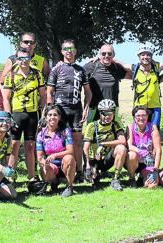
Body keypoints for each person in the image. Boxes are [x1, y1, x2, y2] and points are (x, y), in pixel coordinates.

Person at [47, 39, 92, 180]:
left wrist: (86, 108)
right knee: (61, 142)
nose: (69, 51)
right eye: (66, 49)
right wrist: (50, 110)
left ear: (75, 51)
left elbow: (88, 92)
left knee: (77, 142)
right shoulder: (56, 69)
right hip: (60, 110)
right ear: (62, 51)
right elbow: (49, 92)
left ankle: (78, 171)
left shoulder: (80, 70)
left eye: (71, 49)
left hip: (76, 111)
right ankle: (61, 171)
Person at [2, 48, 46, 181]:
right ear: (17, 59)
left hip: (32, 114)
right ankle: (11, 175)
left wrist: (43, 115)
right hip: (17, 114)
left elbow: (43, 96)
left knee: (30, 145)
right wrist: (9, 116)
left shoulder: (37, 74)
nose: (24, 61)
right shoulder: (12, 75)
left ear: (30, 59)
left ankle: (31, 176)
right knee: (14, 145)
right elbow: (6, 98)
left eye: (26, 58)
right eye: (20, 58)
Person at [121, 46, 163, 127]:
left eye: (148, 55)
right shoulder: (134, 68)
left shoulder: (156, 67)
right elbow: (120, 64)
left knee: (154, 130)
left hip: (155, 107)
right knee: (140, 131)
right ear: (139, 57)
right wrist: (100, 57)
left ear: (151, 57)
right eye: (143, 55)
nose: (145, 57)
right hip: (139, 107)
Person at [83, 99, 127, 191]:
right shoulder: (92, 126)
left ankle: (115, 179)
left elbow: (123, 141)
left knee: (121, 148)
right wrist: (87, 166)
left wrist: (104, 144)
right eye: (105, 114)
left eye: (110, 113)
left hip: (107, 159)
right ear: (100, 113)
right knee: (93, 179)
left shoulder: (115, 125)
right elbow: (85, 148)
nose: (108, 116)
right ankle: (96, 173)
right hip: (94, 160)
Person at [36, 105, 76, 197]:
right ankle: (54, 184)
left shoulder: (65, 131)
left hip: (64, 164)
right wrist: (44, 162)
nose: (52, 117)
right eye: (49, 115)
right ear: (46, 117)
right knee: (45, 168)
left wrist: (55, 155)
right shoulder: (41, 134)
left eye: (55, 115)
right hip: (51, 166)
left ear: (59, 117)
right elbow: (39, 156)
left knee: (69, 158)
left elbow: (70, 151)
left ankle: (69, 186)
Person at [83, 44, 127, 122]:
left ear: (113, 55)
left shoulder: (117, 67)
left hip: (112, 109)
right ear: (99, 54)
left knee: (113, 133)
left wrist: (115, 61)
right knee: (91, 132)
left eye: (109, 54)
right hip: (94, 109)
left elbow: (133, 73)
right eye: (103, 54)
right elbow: (75, 75)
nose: (106, 56)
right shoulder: (91, 66)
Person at [125, 106, 162, 189]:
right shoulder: (130, 127)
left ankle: (142, 177)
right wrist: (141, 152)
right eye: (138, 116)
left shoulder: (153, 127)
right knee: (132, 154)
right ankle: (132, 178)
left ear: (147, 116)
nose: (141, 118)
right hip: (133, 161)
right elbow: (129, 146)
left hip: (148, 163)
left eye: (143, 115)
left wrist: (155, 170)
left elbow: (158, 150)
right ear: (134, 117)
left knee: (152, 186)